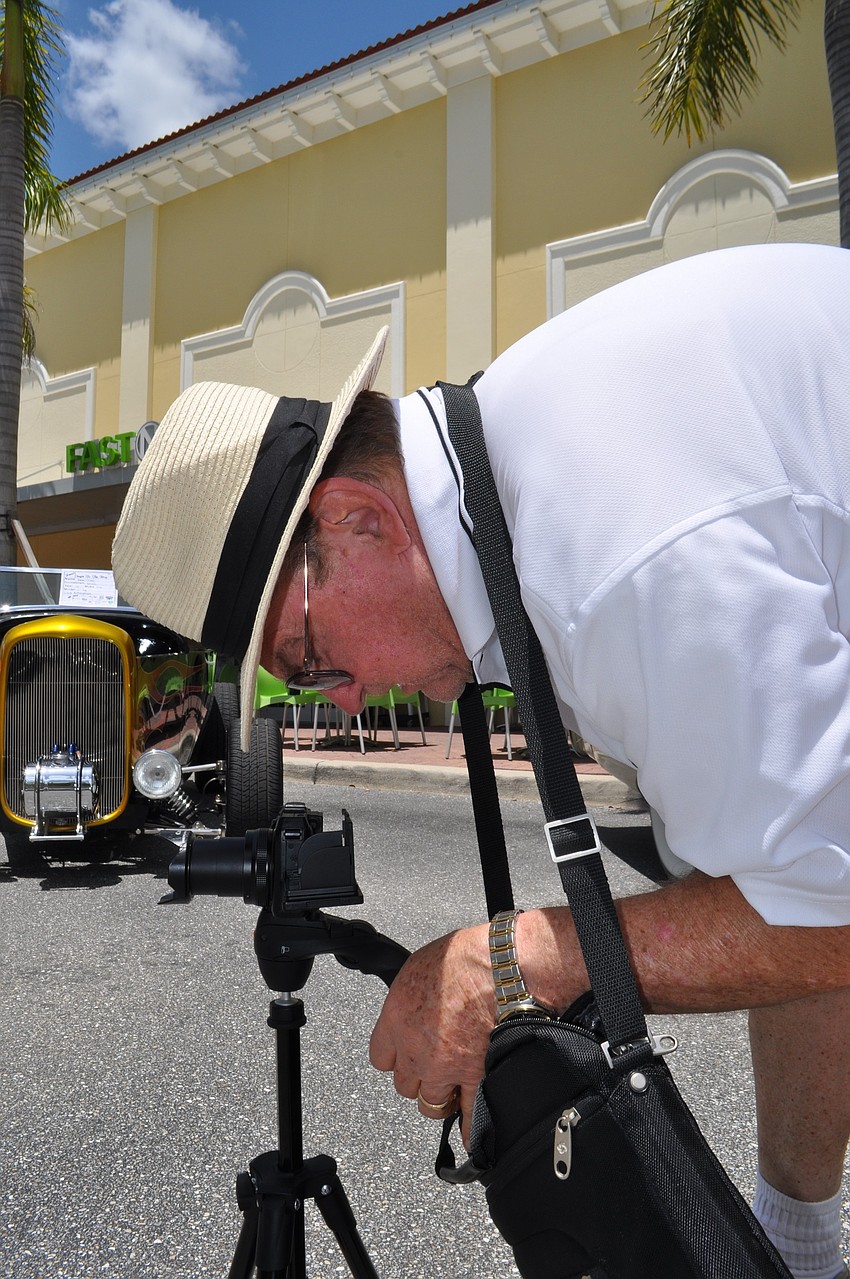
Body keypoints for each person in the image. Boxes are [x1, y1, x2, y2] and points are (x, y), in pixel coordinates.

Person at [113, 241, 850, 1279]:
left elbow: (830, 911)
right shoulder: (530, 466)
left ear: (357, 518)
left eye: (314, 661)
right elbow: (794, 868)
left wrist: (519, 958)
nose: (354, 699)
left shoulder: (609, 557)